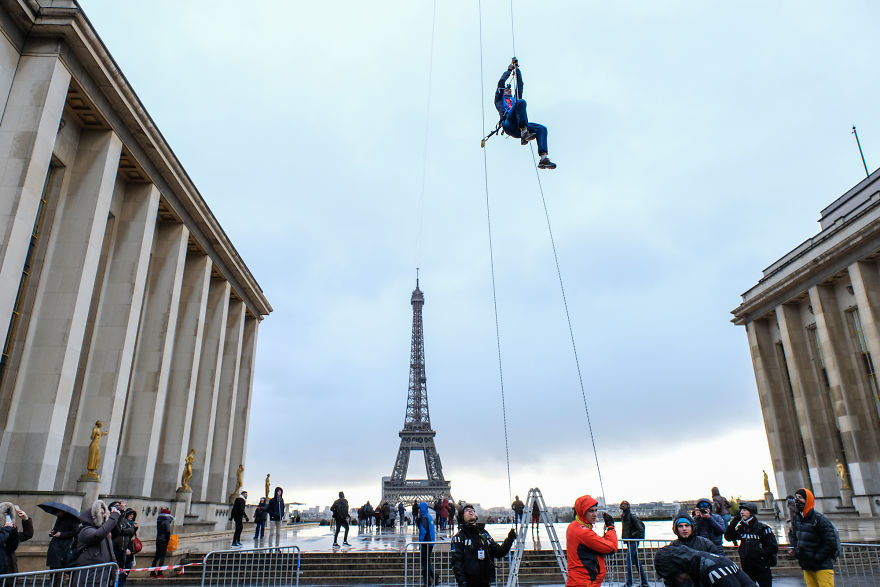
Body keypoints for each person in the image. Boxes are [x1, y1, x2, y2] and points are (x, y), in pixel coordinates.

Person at [493, 59, 557, 170]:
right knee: (521, 102)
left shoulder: (515, 99)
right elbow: (501, 83)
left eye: (510, 89)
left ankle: (543, 159)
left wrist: (517, 70)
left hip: (519, 127)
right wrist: (509, 71)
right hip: (509, 123)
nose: (509, 90)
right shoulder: (499, 99)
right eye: (507, 89)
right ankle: (524, 132)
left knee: (542, 129)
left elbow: (520, 84)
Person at [451, 503, 515, 587]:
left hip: (485, 582)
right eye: (466, 510)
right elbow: (457, 564)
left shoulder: (484, 534)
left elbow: (499, 552)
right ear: (461, 516)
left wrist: (510, 538)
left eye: (472, 510)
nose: (471, 511)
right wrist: (462, 583)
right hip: (469, 583)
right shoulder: (459, 538)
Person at [789, 488, 838, 587]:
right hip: (807, 565)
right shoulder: (797, 519)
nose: (797, 500)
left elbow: (830, 542)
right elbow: (794, 536)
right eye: (796, 497)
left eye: (800, 498)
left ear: (808, 500)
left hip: (822, 566)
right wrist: (796, 551)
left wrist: (817, 557)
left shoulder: (820, 519)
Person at [565, 495, 617, 587]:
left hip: (578, 581)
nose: (595, 514)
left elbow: (594, 544)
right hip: (585, 582)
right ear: (583, 511)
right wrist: (611, 527)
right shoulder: (584, 532)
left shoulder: (573, 526)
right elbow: (612, 548)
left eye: (596, 510)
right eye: (591, 511)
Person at [724, 502, 778, 587]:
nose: (742, 512)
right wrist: (733, 523)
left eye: (745, 510)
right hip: (747, 567)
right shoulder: (741, 528)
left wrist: (759, 553)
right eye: (741, 510)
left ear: (751, 512)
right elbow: (729, 537)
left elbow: (773, 547)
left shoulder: (763, 528)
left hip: (762, 568)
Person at [655, 542, 757, 586]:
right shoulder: (697, 562)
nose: (679, 579)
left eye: (676, 575)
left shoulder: (717, 572)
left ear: (682, 567)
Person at [73, 500, 121, 586]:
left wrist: (115, 572)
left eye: (104, 513)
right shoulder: (86, 531)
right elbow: (98, 535)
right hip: (89, 578)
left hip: (102, 577)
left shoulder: (105, 534)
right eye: (101, 513)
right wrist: (113, 517)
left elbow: (111, 554)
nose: (104, 516)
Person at [619, 500, 648, 587]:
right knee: (636, 561)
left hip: (633, 541)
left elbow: (640, 529)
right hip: (629, 541)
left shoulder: (632, 516)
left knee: (628, 560)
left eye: (624, 505)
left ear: (628, 506)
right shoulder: (624, 516)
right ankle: (644, 582)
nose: (622, 506)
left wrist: (632, 536)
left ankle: (629, 583)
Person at [0, 503, 33, 574]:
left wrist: (25, 519)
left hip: (11, 573)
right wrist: (7, 528)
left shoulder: (10, 532)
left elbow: (27, 534)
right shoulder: (4, 533)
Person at [111, 507, 137, 586]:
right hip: (121, 550)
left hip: (129, 552)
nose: (131, 516)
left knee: (124, 574)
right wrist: (126, 530)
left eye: (133, 515)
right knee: (118, 575)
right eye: (130, 514)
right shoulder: (121, 522)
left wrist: (133, 529)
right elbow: (119, 532)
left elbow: (131, 532)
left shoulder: (131, 524)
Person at [151, 507, 174, 578]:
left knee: (156, 556)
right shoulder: (166, 521)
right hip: (164, 540)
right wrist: (168, 539)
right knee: (162, 557)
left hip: (158, 539)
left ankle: (152, 573)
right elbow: (167, 532)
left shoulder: (159, 520)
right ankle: (159, 573)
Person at [417, 502, 436, 587]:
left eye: (419, 508)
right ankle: (433, 579)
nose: (418, 510)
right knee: (427, 562)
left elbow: (423, 531)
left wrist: (420, 543)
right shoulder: (429, 516)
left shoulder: (424, 517)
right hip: (430, 542)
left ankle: (428, 582)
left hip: (426, 543)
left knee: (425, 563)